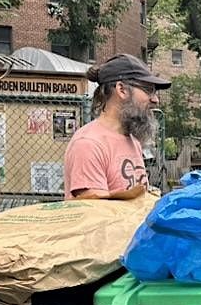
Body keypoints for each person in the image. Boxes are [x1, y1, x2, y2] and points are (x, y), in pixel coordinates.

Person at [64, 53, 170, 200]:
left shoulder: (132, 140)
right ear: (122, 90)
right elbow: (96, 214)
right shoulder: (89, 144)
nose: (155, 100)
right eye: (148, 90)